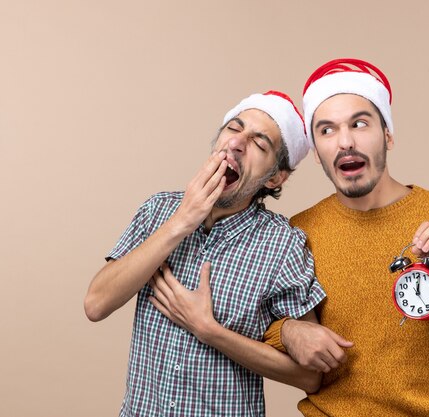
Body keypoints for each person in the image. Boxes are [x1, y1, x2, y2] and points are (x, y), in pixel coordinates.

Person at [262, 59, 429, 416]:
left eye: (360, 123)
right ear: (317, 153)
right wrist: (287, 331)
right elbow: (257, 323)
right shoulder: (298, 233)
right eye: (327, 130)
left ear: (388, 134)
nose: (345, 141)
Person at [83, 91, 326, 417]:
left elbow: (310, 377)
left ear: (275, 178)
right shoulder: (158, 210)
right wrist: (181, 221)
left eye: (259, 143)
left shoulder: (282, 244)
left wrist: (209, 330)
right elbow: (96, 304)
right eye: (233, 128)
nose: (237, 143)